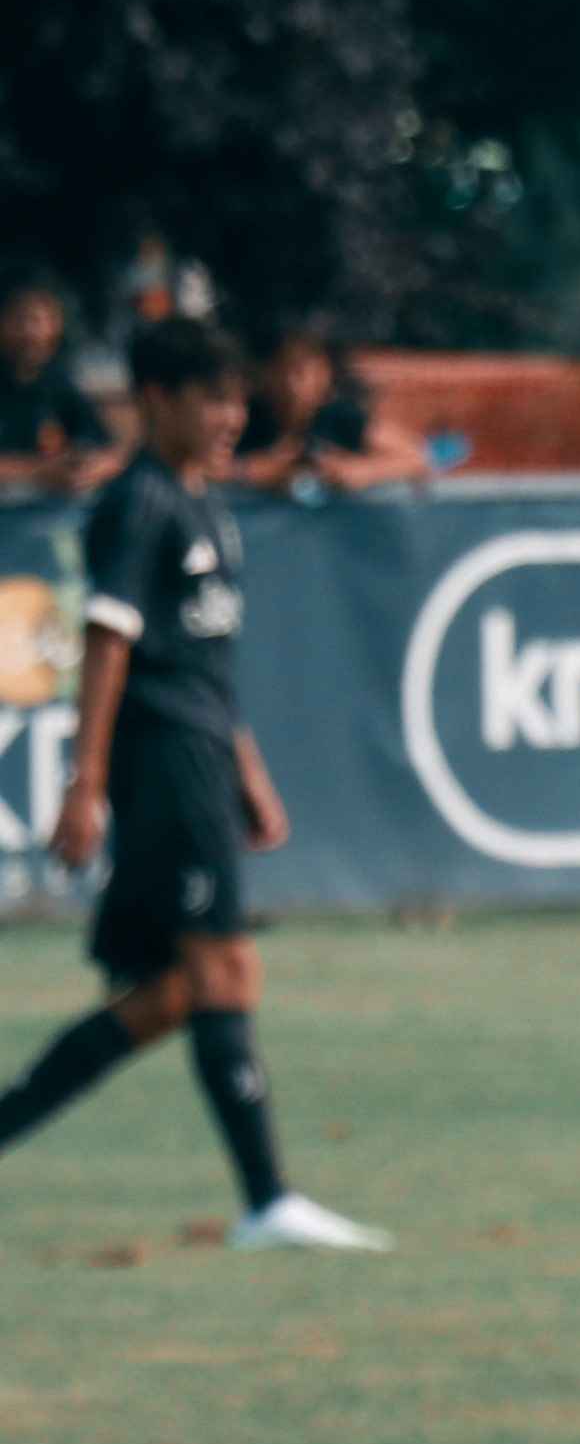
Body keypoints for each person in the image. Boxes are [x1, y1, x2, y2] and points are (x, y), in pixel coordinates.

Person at [0, 318, 389, 1250]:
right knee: (225, 967)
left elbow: (205, 660)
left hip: (203, 756)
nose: (231, 418)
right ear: (156, 400)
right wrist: (86, 781)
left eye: (234, 400)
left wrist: (248, 770)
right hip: (164, 761)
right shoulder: (139, 505)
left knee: (177, 993)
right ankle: (268, 1201)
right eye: (210, 401)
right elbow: (109, 643)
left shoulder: (204, 503)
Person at [241, 324, 428, 496]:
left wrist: (363, 470)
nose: (291, 386)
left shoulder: (340, 419)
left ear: (325, 376)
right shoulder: (249, 420)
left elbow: (416, 458)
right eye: (280, 371)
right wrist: (258, 471)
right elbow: (227, 468)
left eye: (300, 373)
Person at [0, 272, 115, 495]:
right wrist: (39, 472)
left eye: (39, 321)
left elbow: (108, 452)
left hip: (53, 509)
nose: (31, 333)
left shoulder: (59, 385)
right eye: (20, 320)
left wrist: (87, 469)